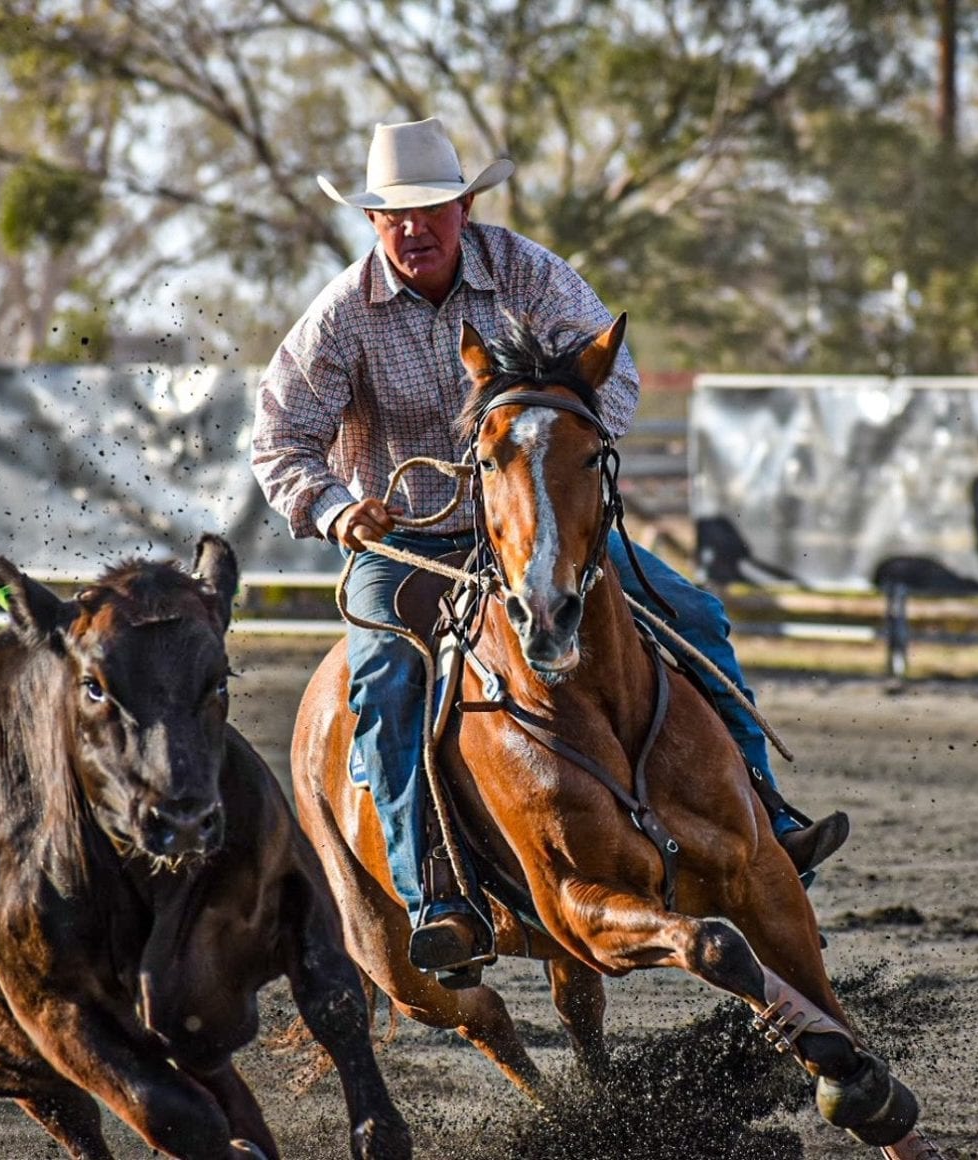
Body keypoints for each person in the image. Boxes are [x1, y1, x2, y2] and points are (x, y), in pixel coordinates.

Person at [251, 117, 848, 974]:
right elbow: (278, 442)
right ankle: (437, 893)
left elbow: (615, 365)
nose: (413, 228)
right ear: (373, 224)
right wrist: (338, 510)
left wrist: (549, 463)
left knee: (692, 612)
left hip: (541, 529)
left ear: (463, 207)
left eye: (431, 210)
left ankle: (764, 813)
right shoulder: (341, 317)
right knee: (383, 681)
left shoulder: (524, 272)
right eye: (394, 216)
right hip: (412, 543)